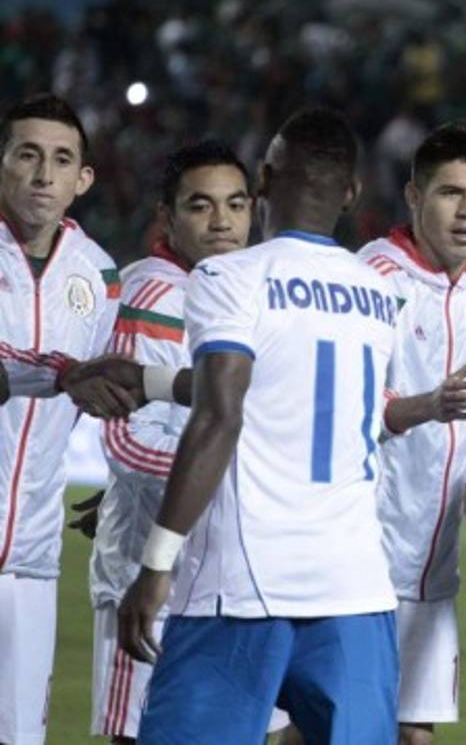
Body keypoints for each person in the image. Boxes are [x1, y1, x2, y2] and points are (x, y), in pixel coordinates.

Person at [116, 108, 400, 744]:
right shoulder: (381, 293)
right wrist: (152, 381)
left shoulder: (229, 275)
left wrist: (157, 563)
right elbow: (282, 385)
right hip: (354, 585)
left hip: (242, 586)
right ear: (352, 193)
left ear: (265, 180)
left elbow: (223, 411)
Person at [85, 139, 294, 742]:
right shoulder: (157, 292)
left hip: (232, 567)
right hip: (149, 570)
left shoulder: (247, 287)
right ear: (166, 217)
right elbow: (127, 438)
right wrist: (232, 477)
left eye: (235, 203)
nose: (223, 221)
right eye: (201, 206)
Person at [357, 122, 466, 745]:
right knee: (329, 726)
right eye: (450, 193)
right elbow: (346, 410)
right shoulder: (369, 278)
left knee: (416, 734)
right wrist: (421, 407)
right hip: (358, 560)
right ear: (414, 197)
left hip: (433, 571)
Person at [0, 93, 122, 745]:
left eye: (61, 159)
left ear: (84, 179)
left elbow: (107, 380)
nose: (44, 174)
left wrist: (123, 483)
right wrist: (60, 372)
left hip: (35, 554)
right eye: (27, 154)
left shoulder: (100, 274)